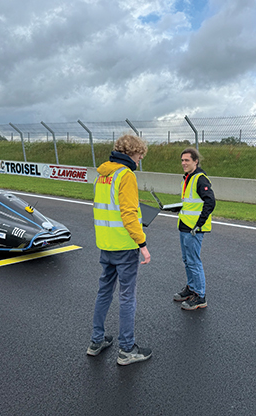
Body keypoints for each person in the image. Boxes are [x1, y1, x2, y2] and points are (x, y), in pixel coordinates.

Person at [88, 134, 152, 366]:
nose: (139, 160)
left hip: (106, 244)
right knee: (127, 296)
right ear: (131, 153)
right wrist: (142, 244)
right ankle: (127, 349)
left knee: (104, 291)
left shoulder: (103, 175)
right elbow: (127, 213)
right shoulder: (126, 176)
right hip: (125, 246)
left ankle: (96, 341)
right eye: (139, 155)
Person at [173, 148, 216, 310]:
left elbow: (210, 202)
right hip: (184, 225)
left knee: (193, 261)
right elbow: (191, 203)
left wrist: (199, 224)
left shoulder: (200, 179)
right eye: (182, 160)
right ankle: (191, 288)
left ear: (195, 161)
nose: (183, 163)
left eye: (187, 160)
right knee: (187, 260)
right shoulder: (188, 178)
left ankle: (200, 295)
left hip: (194, 228)